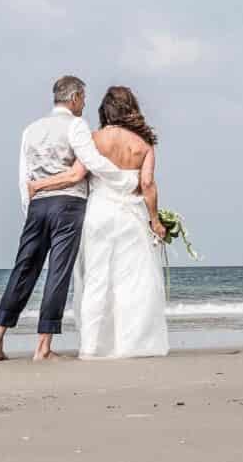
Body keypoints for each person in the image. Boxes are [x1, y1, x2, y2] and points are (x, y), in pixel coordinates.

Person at [25, 85, 170, 359]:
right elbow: (148, 184)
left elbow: (74, 175)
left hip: (98, 216)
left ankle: (92, 346)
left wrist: (39, 185)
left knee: (95, 280)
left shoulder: (94, 139)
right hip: (130, 219)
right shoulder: (143, 145)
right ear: (132, 109)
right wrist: (155, 220)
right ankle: (131, 344)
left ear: (106, 110)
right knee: (132, 281)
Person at [0, 75, 96, 362]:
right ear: (73, 98)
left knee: (23, 269)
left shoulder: (31, 129)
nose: (84, 103)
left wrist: (30, 207)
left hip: (37, 206)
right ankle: (43, 347)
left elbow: (24, 174)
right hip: (69, 204)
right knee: (57, 273)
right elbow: (86, 167)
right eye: (83, 98)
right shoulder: (77, 126)